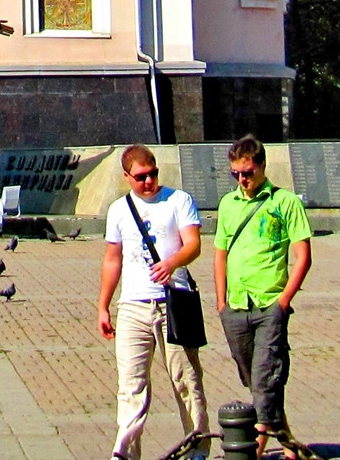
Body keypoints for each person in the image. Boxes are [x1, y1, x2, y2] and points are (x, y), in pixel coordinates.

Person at [100, 145, 212, 460]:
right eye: (140, 177)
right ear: (126, 177)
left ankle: (197, 448)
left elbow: (194, 244)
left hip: (173, 301)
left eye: (152, 174)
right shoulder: (119, 209)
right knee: (131, 386)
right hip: (133, 305)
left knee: (186, 379)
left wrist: (172, 263)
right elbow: (112, 260)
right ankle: (125, 452)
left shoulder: (179, 200)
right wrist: (103, 306)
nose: (148, 182)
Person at [210, 135, 312, 460]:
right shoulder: (228, 204)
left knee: (266, 376)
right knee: (254, 378)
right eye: (236, 174)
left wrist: (284, 301)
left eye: (248, 172)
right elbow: (220, 254)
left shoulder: (285, 203)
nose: (242, 179)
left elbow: (303, 255)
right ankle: (289, 443)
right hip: (236, 306)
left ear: (262, 166)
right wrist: (221, 302)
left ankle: (254, 450)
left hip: (269, 304)